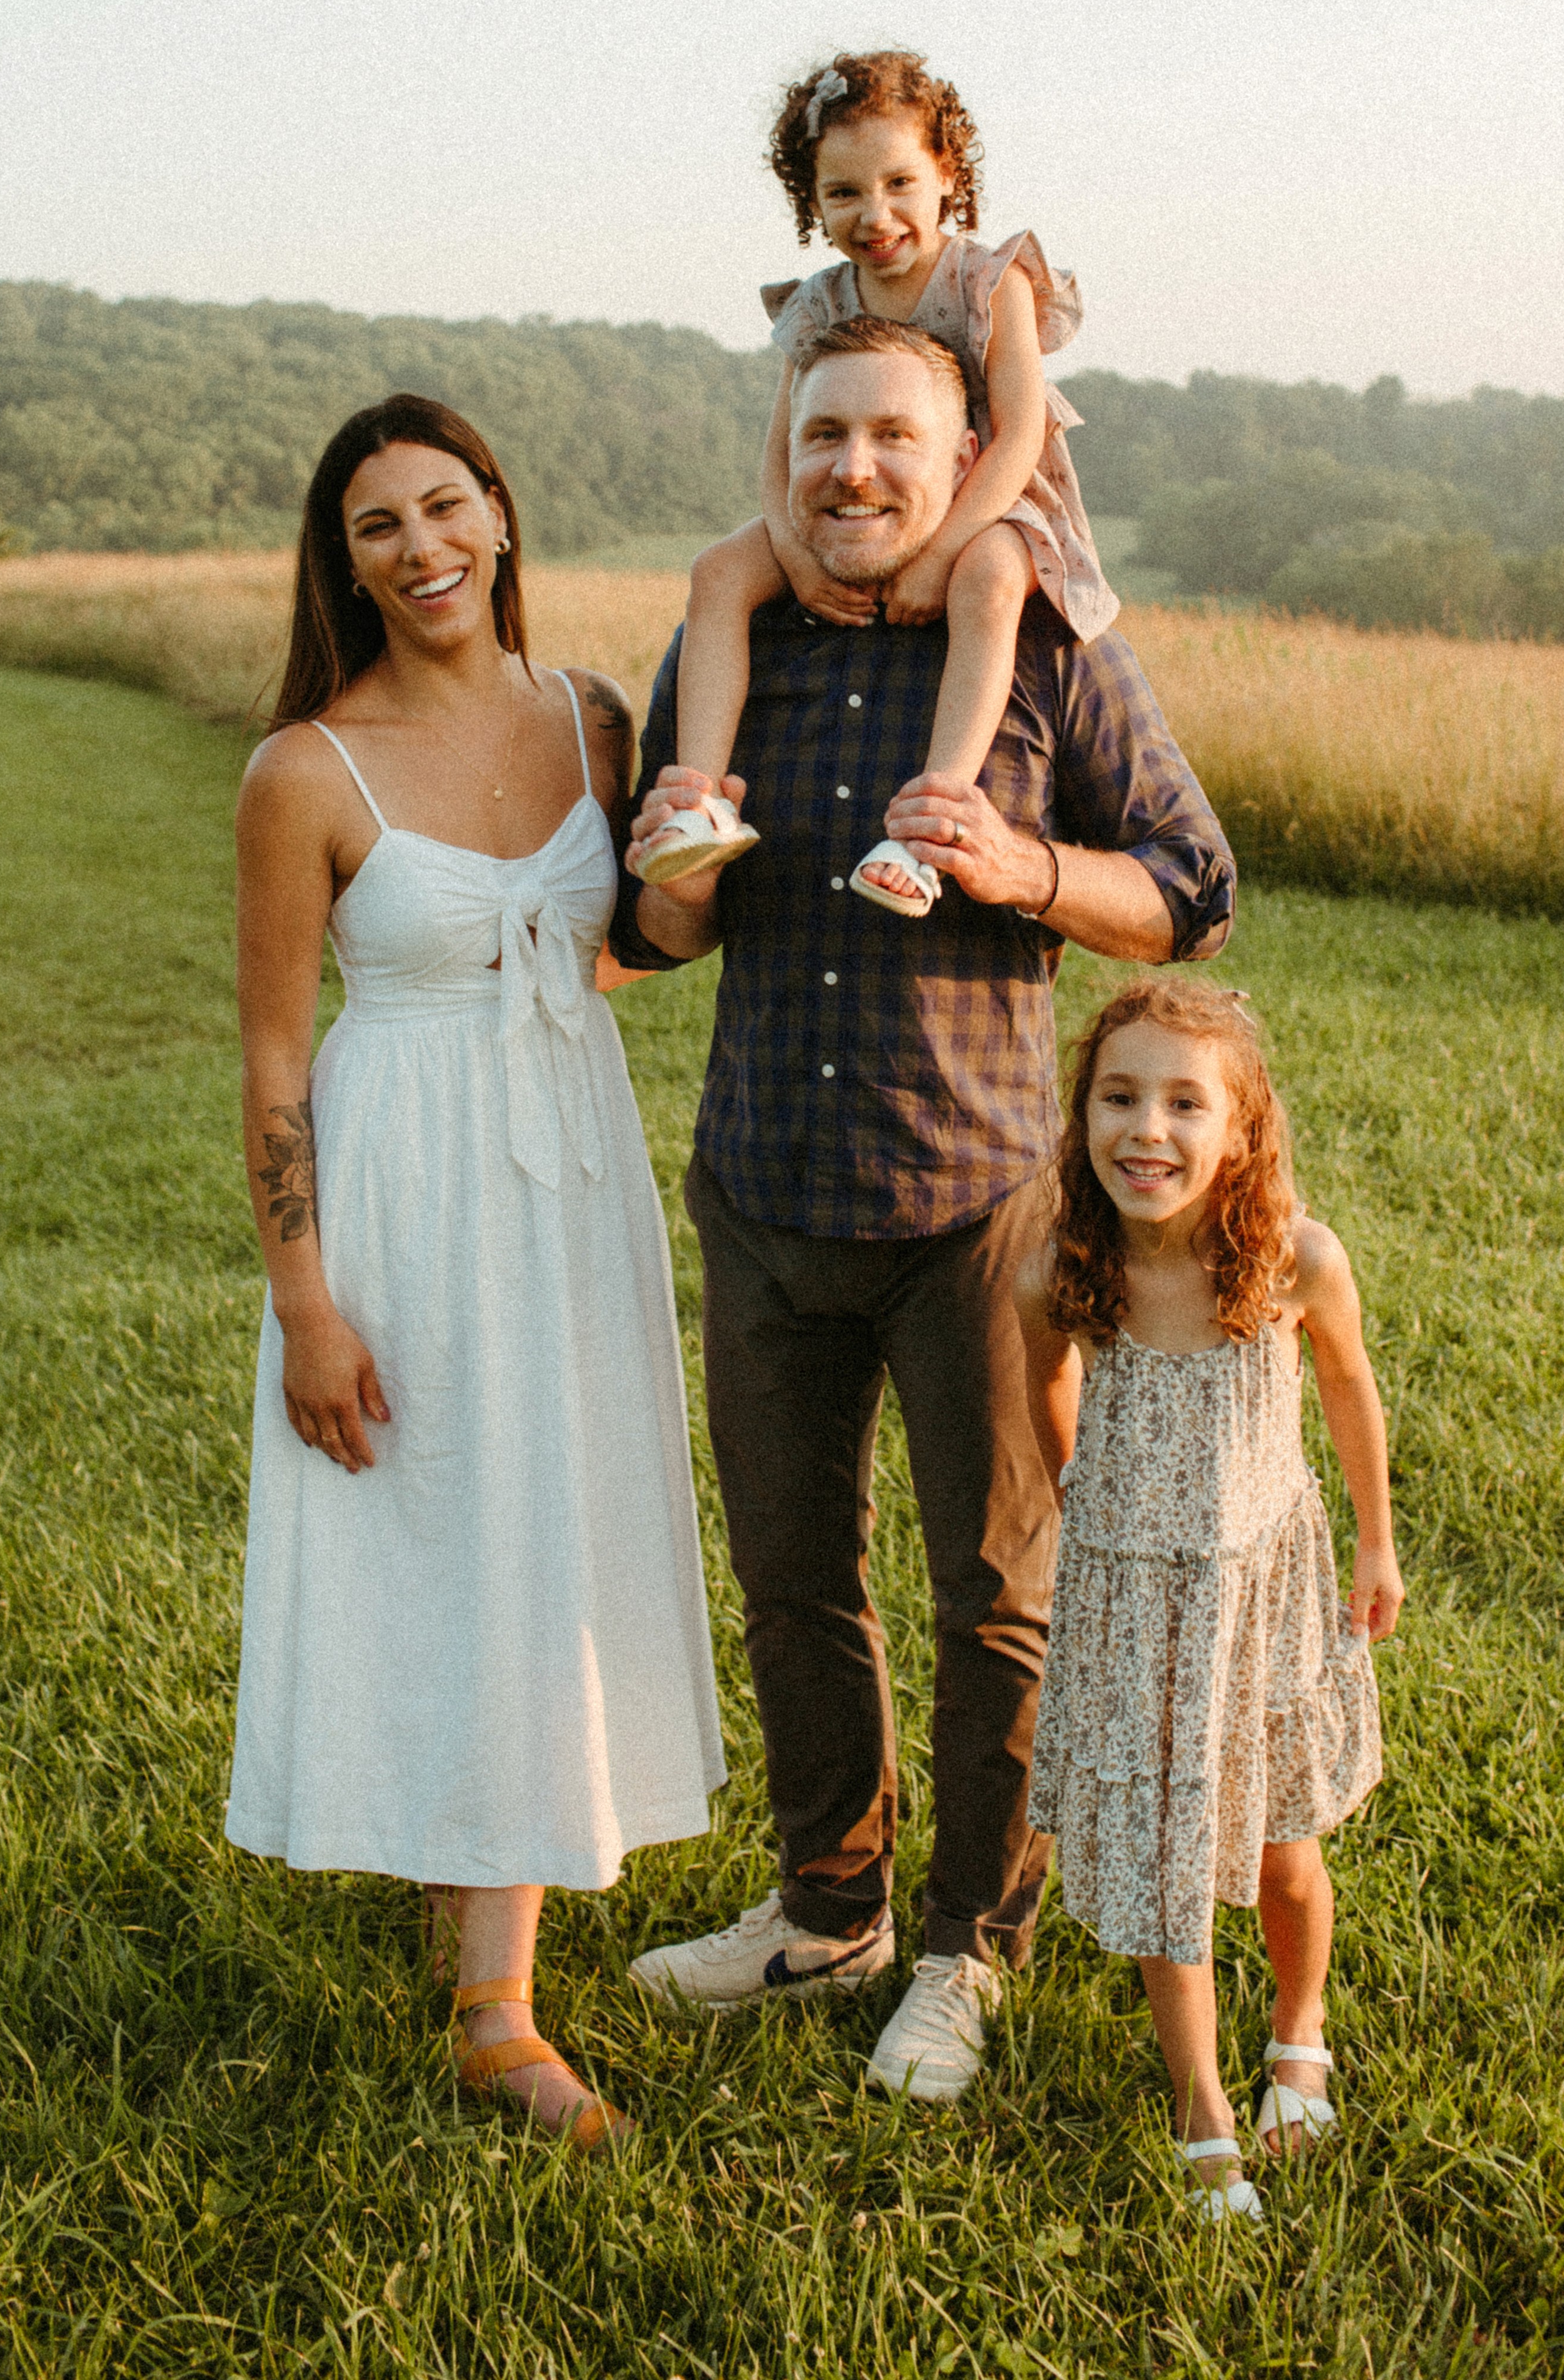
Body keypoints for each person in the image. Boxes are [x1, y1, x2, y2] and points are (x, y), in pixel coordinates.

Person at [616, 316, 1235, 2103]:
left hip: (972, 1210)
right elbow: (663, 943)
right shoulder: (730, 646)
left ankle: (969, 1946)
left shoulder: (1041, 650)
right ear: (784, 450)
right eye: (823, 434)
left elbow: (1192, 887)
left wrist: (1025, 866)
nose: (854, 468)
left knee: (993, 1595)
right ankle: (828, 1907)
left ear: (969, 454)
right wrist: (666, 862)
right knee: (793, 1576)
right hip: (761, 1194)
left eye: (895, 434)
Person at [225, 392, 724, 2153]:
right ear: (341, 563)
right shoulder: (305, 768)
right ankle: (496, 2007)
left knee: (549, 1515)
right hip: (401, 1182)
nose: (421, 547)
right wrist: (306, 1302)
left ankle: (484, 1926)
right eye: (379, 526)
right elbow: (278, 1055)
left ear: (500, 519)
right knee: (441, 1512)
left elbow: (624, 953)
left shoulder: (590, 717)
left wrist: (686, 885)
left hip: (568, 1169)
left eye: (446, 507)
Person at [1020, 981, 1401, 2223]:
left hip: (1263, 1590)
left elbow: (1347, 1392)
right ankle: (1202, 2108)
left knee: (1284, 1850)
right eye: (1118, 1096)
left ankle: (1300, 2026)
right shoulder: (1064, 1271)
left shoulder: (1295, 1257)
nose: (1148, 1129)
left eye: (1187, 1102)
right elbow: (1045, 1392)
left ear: (1241, 1129)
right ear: (1080, 1116)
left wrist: (1374, 1548)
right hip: (1137, 1603)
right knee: (1162, 1860)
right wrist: (1088, 1491)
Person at [636, 48, 1119, 915]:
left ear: (947, 176)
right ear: (810, 201)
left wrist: (941, 553)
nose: (875, 213)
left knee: (992, 578)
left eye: (899, 182)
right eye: (843, 193)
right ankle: (699, 802)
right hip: (842, 508)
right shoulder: (821, 301)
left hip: (987, 502)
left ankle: (926, 828)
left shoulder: (988, 278)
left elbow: (1016, 436)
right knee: (717, 571)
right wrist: (796, 556)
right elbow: (782, 451)